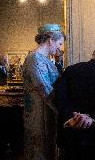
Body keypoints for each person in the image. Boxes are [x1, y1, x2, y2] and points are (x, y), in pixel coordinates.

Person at [22, 23, 66, 160]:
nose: (60, 48)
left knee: (48, 148)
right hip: (39, 111)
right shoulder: (34, 58)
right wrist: (64, 109)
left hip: (47, 109)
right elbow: (44, 88)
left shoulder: (44, 59)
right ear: (50, 40)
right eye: (59, 44)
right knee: (39, 149)